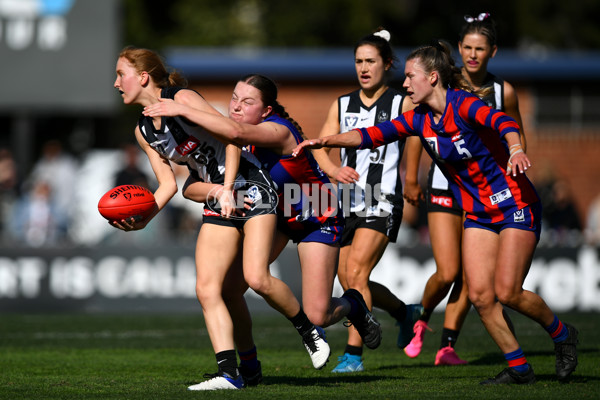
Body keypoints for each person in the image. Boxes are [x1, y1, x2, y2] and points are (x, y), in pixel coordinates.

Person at [292, 40, 579, 385]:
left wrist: (516, 149)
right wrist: (326, 142)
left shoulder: (466, 105)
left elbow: (504, 123)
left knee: (508, 292)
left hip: (514, 203)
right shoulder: (419, 119)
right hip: (478, 212)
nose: (406, 83)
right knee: (480, 297)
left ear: (432, 77)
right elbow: (370, 135)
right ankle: (519, 368)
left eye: (411, 77)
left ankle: (563, 335)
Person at [141, 73, 382, 383]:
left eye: (248, 102)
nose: (237, 107)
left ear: (267, 110)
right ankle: (249, 367)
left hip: (316, 216)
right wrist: (215, 189)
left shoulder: (275, 131)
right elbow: (193, 182)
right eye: (234, 99)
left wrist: (184, 108)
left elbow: (235, 132)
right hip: (277, 218)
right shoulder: (232, 138)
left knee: (317, 314)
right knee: (230, 290)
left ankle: (353, 306)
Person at [113, 46, 326, 392]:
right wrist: (144, 217)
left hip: (250, 186)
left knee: (256, 278)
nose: (116, 83)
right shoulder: (142, 131)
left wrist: (227, 188)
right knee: (208, 288)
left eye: (120, 75)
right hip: (217, 196)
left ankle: (308, 331)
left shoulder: (180, 96)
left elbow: (231, 134)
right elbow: (168, 184)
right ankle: (233, 373)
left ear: (142, 77)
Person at [402, 13, 528, 366]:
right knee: (448, 271)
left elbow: (514, 131)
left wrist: (517, 156)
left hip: (488, 192)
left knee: (476, 277)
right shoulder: (441, 82)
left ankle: (447, 345)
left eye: (480, 49)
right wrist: (411, 178)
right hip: (445, 186)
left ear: (493, 52)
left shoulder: (504, 92)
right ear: (459, 49)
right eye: (467, 48)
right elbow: (416, 130)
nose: (473, 55)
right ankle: (420, 317)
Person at [310, 28, 422, 373]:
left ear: (387, 64)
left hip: (383, 197)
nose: (363, 67)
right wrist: (333, 171)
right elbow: (323, 151)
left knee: (356, 272)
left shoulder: (401, 102)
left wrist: (413, 178)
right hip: (347, 199)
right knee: (350, 280)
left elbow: (416, 138)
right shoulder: (342, 104)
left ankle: (353, 356)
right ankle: (405, 312)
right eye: (358, 61)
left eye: (370, 61)